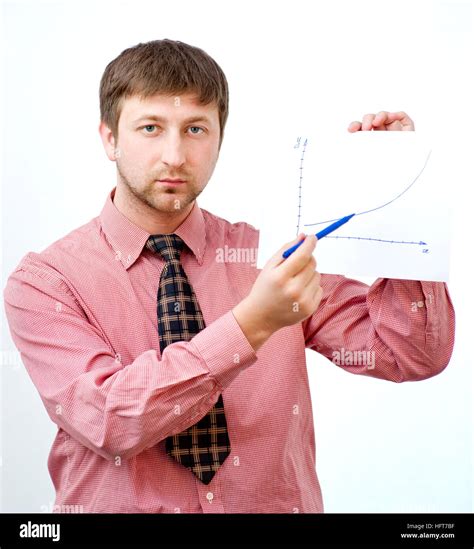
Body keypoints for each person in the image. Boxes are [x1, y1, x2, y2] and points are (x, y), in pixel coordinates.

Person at [3, 39, 455, 514]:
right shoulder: (45, 282)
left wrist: (403, 200)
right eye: (151, 128)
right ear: (110, 138)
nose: (174, 155)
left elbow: (412, 355)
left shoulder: (274, 255)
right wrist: (253, 324)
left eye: (195, 128)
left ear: (220, 139)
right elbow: (110, 421)